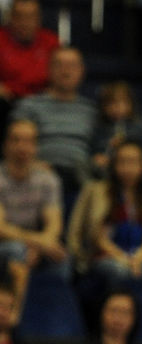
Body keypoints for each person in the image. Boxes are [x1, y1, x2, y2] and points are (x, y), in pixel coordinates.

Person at [67, 142, 142, 291]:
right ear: (113, 165)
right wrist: (122, 258)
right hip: (107, 254)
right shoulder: (97, 192)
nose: (128, 168)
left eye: (133, 162)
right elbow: (98, 237)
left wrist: (138, 258)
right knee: (118, 271)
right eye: (122, 162)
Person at [11, 46, 98, 207]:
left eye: (72, 65)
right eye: (59, 65)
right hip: (36, 176)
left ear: (81, 71)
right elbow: (13, 144)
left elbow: (99, 150)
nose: (66, 71)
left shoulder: (92, 110)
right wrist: (31, 163)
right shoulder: (29, 106)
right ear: (49, 69)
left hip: (81, 178)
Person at [0, 119, 69, 284]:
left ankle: (54, 301)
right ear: (5, 145)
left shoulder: (48, 179)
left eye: (28, 141)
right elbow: (1, 229)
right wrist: (38, 243)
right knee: (16, 250)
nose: (22, 147)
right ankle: (16, 302)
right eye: (16, 140)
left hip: (35, 243)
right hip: (5, 245)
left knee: (61, 257)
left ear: (36, 147)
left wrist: (40, 246)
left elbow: (54, 225)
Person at [0, 0, 58, 138]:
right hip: (7, 103)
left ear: (39, 19)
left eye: (30, 16)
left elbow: (61, 74)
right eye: (19, 16)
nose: (24, 22)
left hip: (42, 102)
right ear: (9, 18)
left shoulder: (51, 42)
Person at [90, 81, 142, 177]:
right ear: (103, 106)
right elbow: (94, 147)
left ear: (131, 104)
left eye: (122, 103)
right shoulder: (100, 127)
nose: (117, 108)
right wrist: (98, 157)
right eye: (111, 104)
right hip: (107, 168)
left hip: (134, 166)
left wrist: (126, 141)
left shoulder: (139, 124)